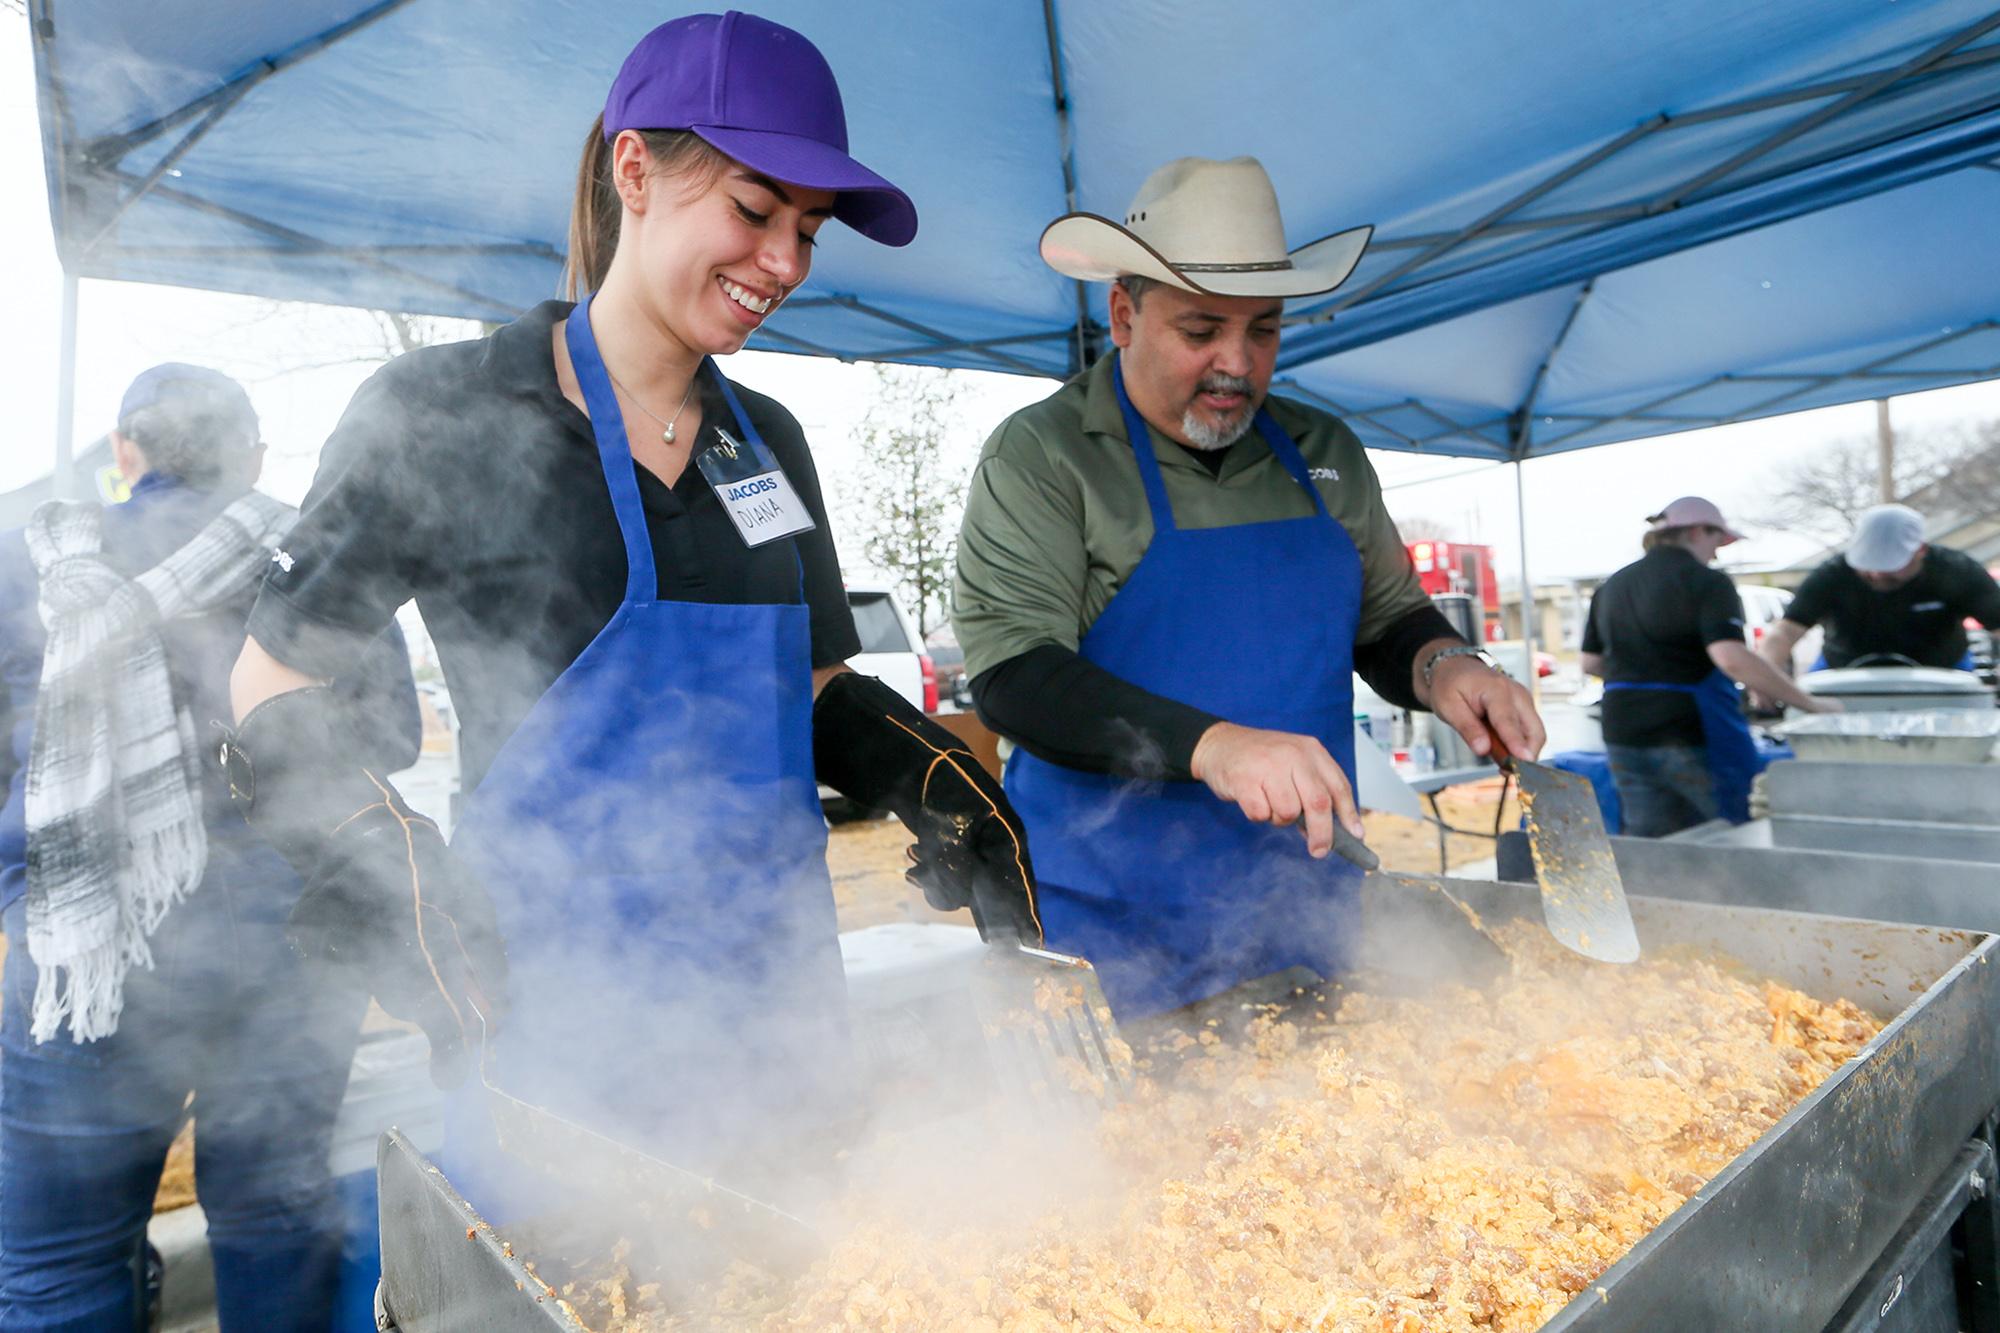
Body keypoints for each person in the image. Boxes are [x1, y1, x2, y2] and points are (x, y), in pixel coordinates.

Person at [222, 11, 1040, 1221]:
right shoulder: (440, 413)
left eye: (808, 233)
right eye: (756, 212)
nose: (785, 264)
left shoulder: (772, 443)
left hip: (777, 1029)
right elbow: (268, 678)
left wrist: (927, 777)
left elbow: (806, 689)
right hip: (550, 1030)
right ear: (635, 169)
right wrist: (384, 866)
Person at [952, 156, 1545, 1019]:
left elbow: (1387, 621)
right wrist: (1217, 745)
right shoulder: (1044, 454)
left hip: (1309, 908)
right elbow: (1016, 678)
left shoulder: (1324, 451)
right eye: (1200, 330)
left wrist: (1448, 665)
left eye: (1263, 331)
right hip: (1113, 928)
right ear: (1124, 313)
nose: (1237, 363)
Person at [0, 364, 419, 1331]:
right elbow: (393, 735)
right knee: (275, 1218)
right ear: (254, 458)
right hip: (295, 940)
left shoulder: (42, 560)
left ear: (124, 452)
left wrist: (26, 887)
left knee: (61, 1265)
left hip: (92, 945)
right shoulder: (311, 553)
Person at [1580, 497, 1835, 839]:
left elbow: (1591, 662)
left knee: (1652, 839)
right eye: (1718, 541)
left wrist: (1642, 668)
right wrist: (1812, 705)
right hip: (1690, 730)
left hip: (1622, 730)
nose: (1717, 553)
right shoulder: (1707, 582)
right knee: (1731, 831)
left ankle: (1658, 891)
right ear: (1699, 531)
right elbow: (1729, 656)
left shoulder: (1611, 585)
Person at [1759, 503, 2000, 674]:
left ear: (1921, 551)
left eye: (1889, 566)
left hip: (1943, 668)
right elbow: (1786, 632)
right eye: (1868, 566)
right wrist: (1765, 677)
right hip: (1843, 667)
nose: (1876, 574)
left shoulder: (1955, 570)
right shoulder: (1832, 574)